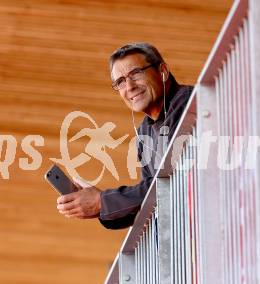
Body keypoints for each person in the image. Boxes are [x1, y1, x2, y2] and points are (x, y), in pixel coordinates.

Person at [56, 42, 193, 229]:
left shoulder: (189, 105)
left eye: (136, 73)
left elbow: (171, 182)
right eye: (120, 81)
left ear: (163, 71)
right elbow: (148, 199)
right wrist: (98, 204)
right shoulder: (145, 132)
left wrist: (102, 201)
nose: (129, 86)